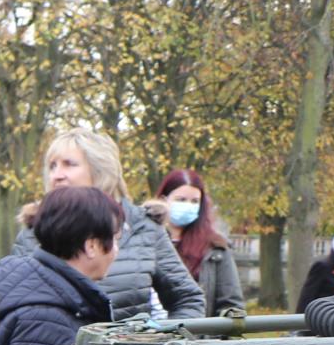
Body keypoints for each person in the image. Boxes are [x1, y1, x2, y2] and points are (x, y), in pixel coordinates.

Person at [10, 130, 202, 320]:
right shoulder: (33, 233)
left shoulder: (143, 227)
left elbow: (188, 300)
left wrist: (162, 344)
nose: (57, 175)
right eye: (52, 166)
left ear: (100, 170)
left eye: (69, 164)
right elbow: (12, 306)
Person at [0, 186, 120, 345]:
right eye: (115, 239)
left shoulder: (50, 293)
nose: (116, 250)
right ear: (91, 246)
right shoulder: (45, 315)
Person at [156, 170, 243, 315]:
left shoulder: (216, 249)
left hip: (200, 334)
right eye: (181, 200)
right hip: (149, 335)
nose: (188, 205)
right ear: (164, 200)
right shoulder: (145, 241)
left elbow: (231, 305)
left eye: (194, 201)